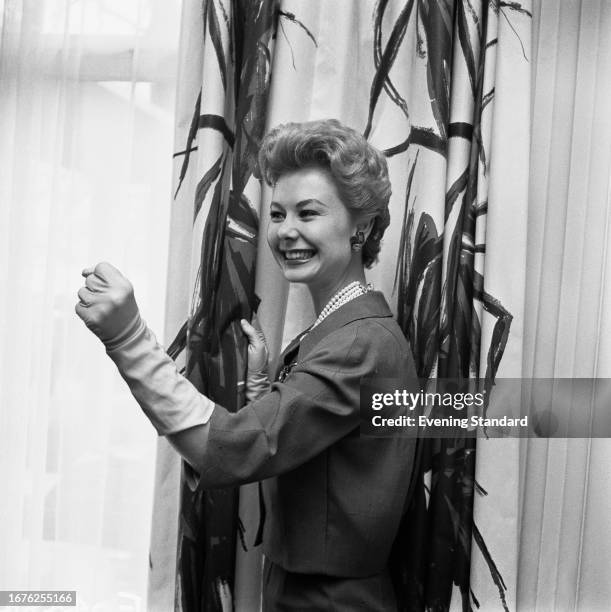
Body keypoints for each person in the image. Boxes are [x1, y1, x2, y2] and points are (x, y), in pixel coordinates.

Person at [76, 119, 417, 610]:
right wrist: (265, 392)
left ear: (361, 226)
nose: (285, 231)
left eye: (308, 212)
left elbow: (228, 451)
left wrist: (128, 337)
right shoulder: (351, 330)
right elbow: (321, 464)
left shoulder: (356, 344)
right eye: (277, 214)